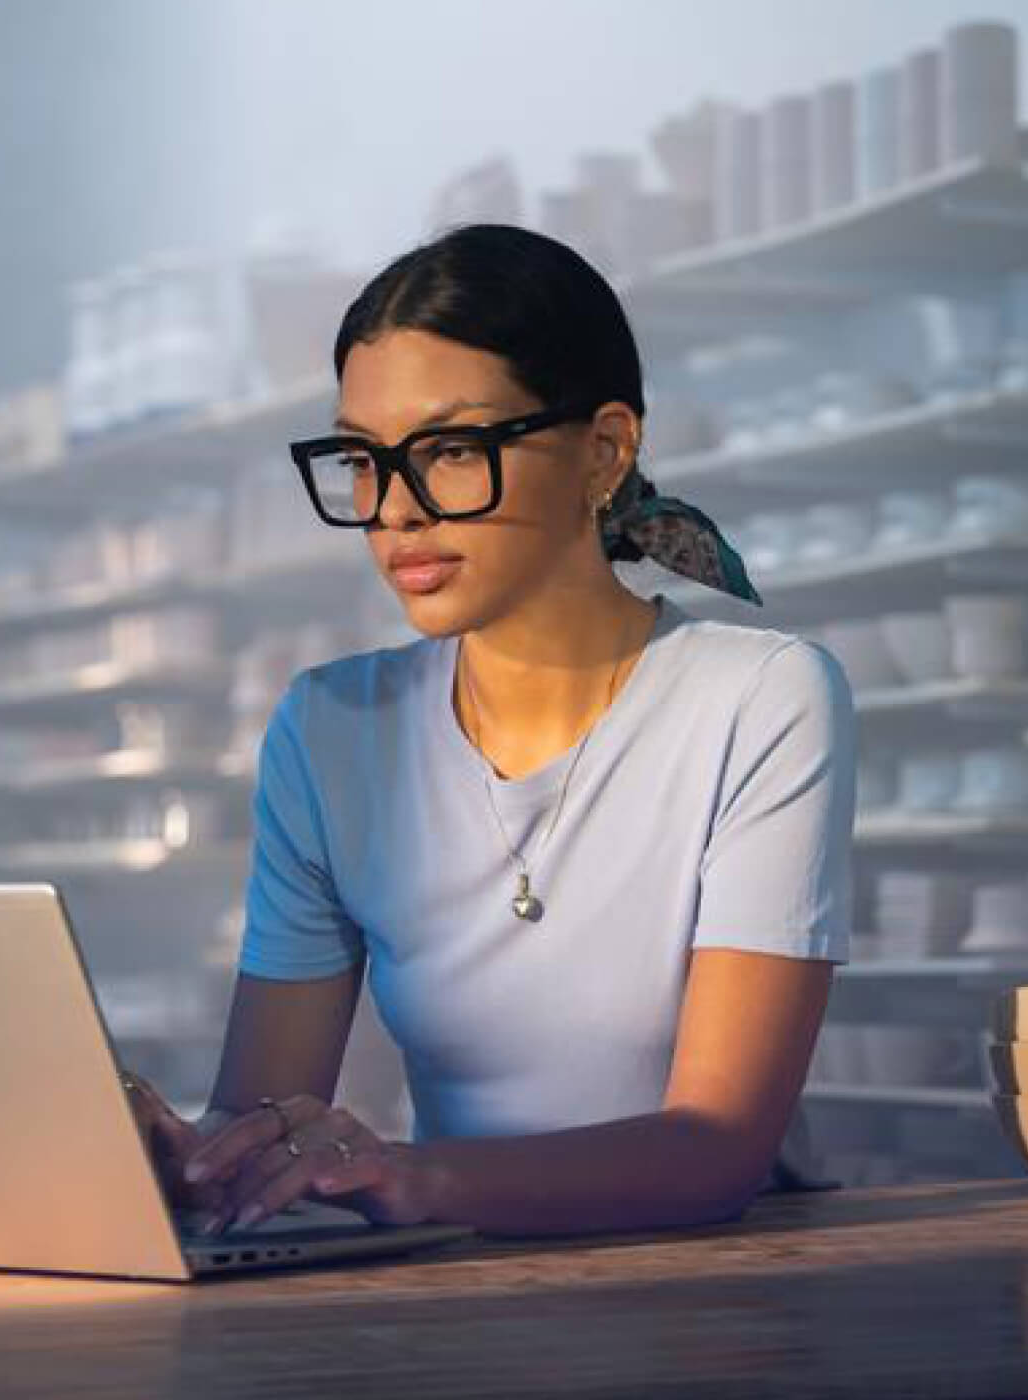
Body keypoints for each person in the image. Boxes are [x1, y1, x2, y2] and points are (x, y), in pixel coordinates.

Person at [129, 223, 855, 1237]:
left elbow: (715, 1146)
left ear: (602, 449)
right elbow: (262, 1115)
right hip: (465, 1289)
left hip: (713, 1293)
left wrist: (412, 1179)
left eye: (449, 451)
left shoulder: (761, 696)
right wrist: (193, 1159)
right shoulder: (329, 729)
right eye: (362, 460)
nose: (394, 511)